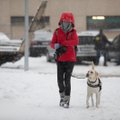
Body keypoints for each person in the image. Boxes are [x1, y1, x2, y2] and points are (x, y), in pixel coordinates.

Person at [50, 12, 79, 108]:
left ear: (71, 22)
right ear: (61, 21)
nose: (66, 23)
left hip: (70, 59)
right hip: (60, 59)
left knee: (67, 80)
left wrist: (64, 43)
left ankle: (67, 100)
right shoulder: (57, 31)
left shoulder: (73, 32)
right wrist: (56, 45)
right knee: (59, 80)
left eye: (68, 22)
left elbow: (75, 41)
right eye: (64, 21)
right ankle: (62, 97)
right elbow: (52, 43)